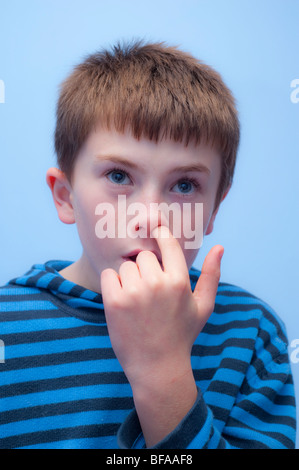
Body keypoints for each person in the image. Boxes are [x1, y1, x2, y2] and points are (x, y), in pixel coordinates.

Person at [0, 40, 296, 449]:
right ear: (65, 196)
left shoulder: (250, 334)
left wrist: (161, 372)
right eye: (119, 176)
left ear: (212, 211)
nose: (151, 216)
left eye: (185, 185)